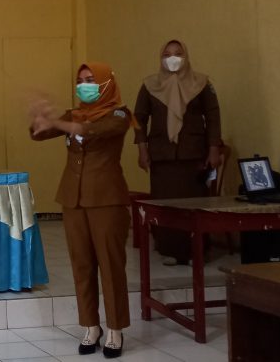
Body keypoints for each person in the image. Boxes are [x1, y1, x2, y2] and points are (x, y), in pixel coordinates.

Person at [30, 62, 132, 358]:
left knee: (111, 265)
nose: (84, 85)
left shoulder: (119, 115)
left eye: (90, 80)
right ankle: (91, 326)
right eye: (80, 80)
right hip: (73, 199)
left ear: (106, 84)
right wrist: (39, 116)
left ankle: (115, 328)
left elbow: (90, 130)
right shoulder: (73, 114)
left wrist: (61, 122)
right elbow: (38, 133)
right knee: (82, 264)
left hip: (106, 199)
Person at [134, 40, 222, 266]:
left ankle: (196, 251)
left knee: (194, 205)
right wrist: (142, 149)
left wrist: (213, 149)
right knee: (166, 205)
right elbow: (139, 119)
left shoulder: (201, 83)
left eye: (178, 53)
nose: (172, 58)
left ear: (186, 57)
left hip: (193, 155)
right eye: (167, 54)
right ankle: (169, 249)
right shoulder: (150, 85)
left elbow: (213, 116)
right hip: (162, 156)